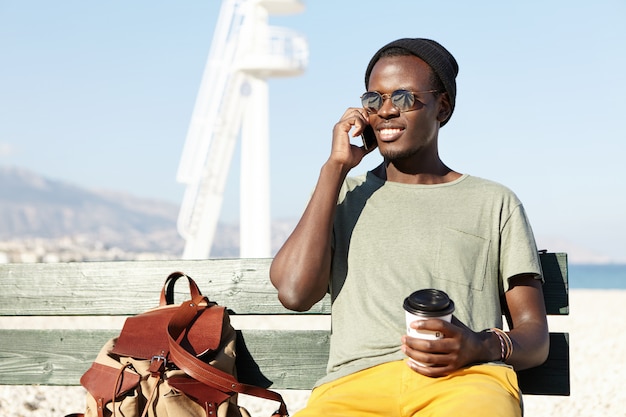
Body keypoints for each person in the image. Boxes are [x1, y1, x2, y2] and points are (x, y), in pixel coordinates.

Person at [269, 38, 549, 417]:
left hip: (466, 384)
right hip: (353, 387)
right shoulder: (343, 194)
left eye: (403, 98)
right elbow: (294, 293)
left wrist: (480, 346)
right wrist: (334, 168)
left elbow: (534, 335)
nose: (385, 111)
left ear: (442, 107)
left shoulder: (494, 202)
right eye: (374, 99)